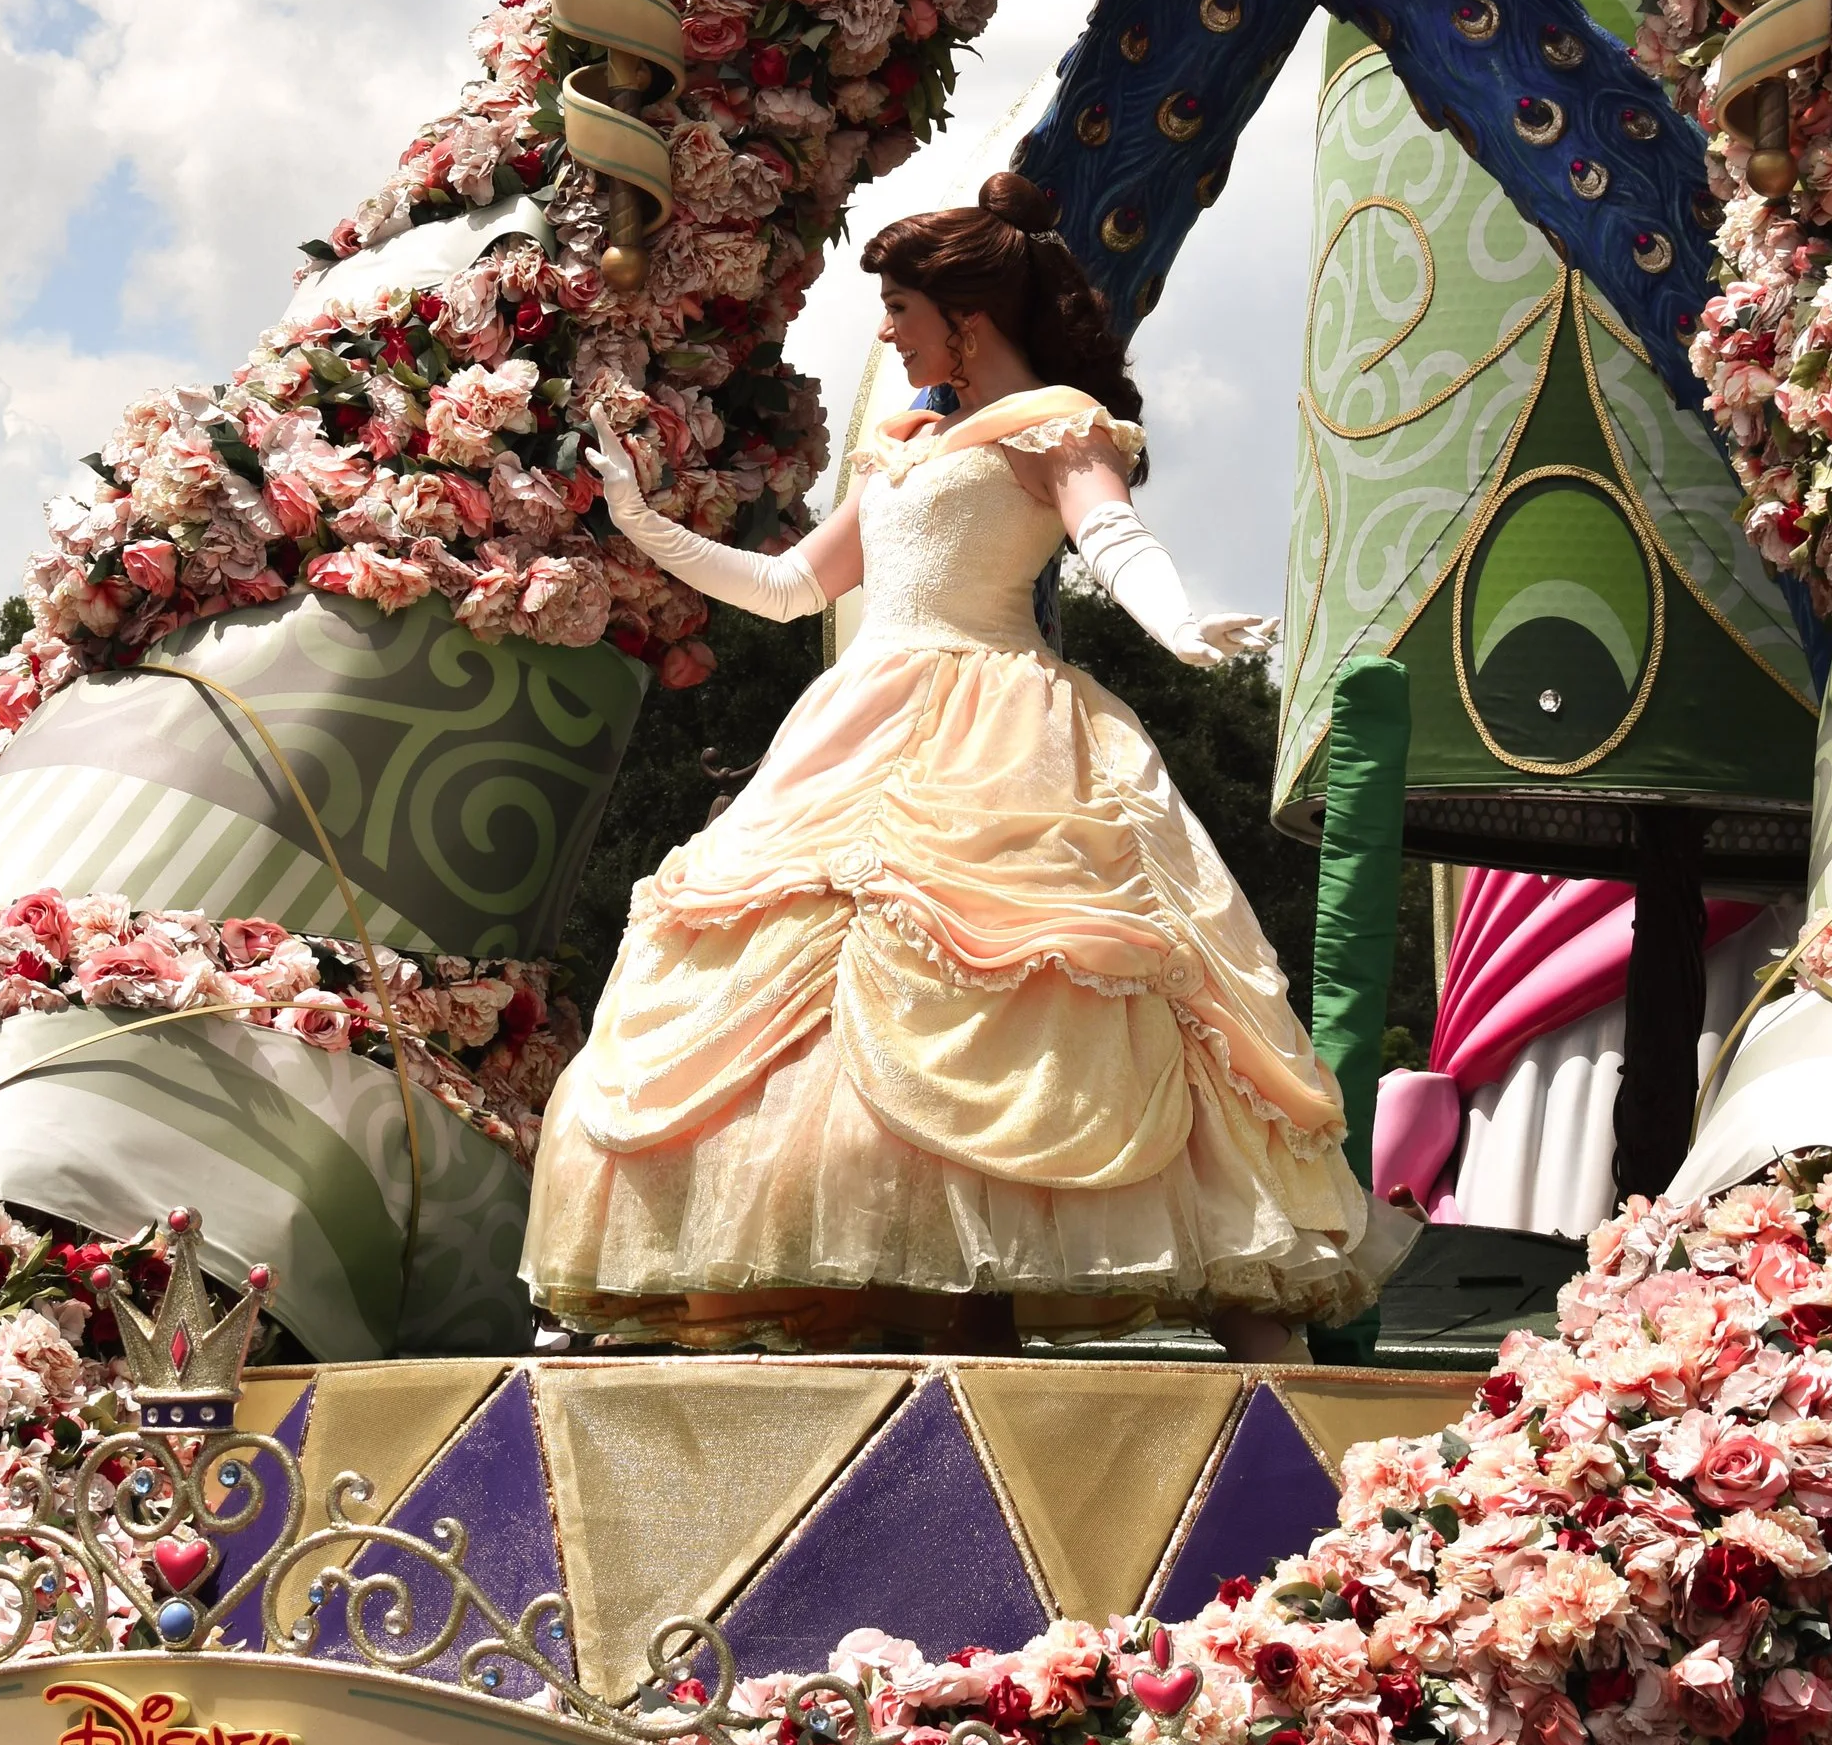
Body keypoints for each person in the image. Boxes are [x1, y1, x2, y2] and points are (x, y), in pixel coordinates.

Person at [525, 172, 1408, 1356]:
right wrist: (643, 524)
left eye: (900, 308)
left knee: (1048, 981)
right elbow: (789, 590)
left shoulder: (1054, 423)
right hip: (855, 730)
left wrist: (1178, 623)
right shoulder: (901, 447)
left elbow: (1112, 535)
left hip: (1001, 727)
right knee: (806, 968)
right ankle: (909, 1320)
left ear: (965, 317)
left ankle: (1218, 1341)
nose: (888, 333)